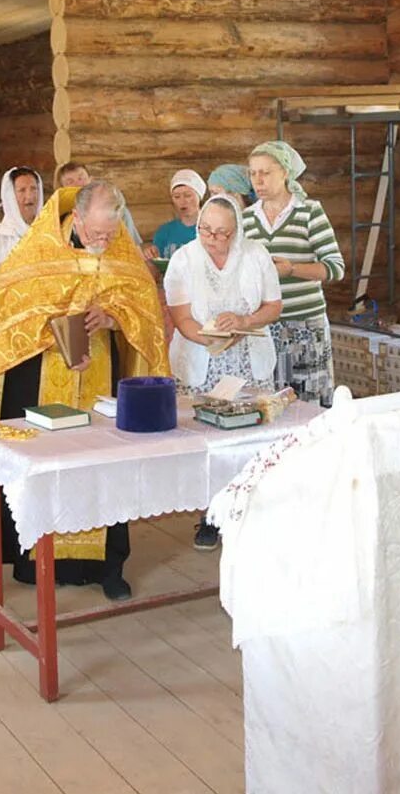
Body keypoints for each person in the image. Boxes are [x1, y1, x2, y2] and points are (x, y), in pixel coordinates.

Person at [0, 180, 170, 601]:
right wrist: (50, 329)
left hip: (100, 380)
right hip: (39, 379)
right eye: (95, 234)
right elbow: (4, 319)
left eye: (110, 234)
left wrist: (113, 317)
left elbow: (144, 315)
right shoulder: (35, 255)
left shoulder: (121, 255)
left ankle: (110, 564)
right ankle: (37, 559)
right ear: (76, 219)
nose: (103, 242)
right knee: (44, 462)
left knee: (103, 462)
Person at [164, 195, 283, 550]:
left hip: (249, 359)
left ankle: (254, 512)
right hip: (202, 360)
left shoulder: (256, 255)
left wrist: (245, 322)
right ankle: (210, 518)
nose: (213, 239)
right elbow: (181, 317)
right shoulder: (184, 259)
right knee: (207, 440)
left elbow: (273, 305)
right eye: (206, 230)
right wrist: (212, 340)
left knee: (252, 436)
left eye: (222, 233)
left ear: (237, 231)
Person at [243, 141, 345, 408]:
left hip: (305, 327)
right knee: (270, 404)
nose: (258, 180)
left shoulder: (309, 212)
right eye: (253, 173)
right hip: (264, 328)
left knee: (308, 404)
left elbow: (335, 267)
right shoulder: (246, 219)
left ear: (285, 173)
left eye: (266, 172)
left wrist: (292, 269)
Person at [0, 167, 43, 300]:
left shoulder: (49, 230)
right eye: (22, 190)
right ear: (11, 196)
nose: (29, 196)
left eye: (33, 189)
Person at [57, 161, 143, 247]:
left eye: (81, 178)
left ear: (91, 180)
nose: (78, 185)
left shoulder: (119, 212)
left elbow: (133, 248)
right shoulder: (58, 218)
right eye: (70, 182)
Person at [149, 169, 205, 259]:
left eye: (188, 195)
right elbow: (156, 266)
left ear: (199, 196)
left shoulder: (210, 231)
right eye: (177, 197)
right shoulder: (164, 231)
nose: (182, 201)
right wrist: (150, 256)